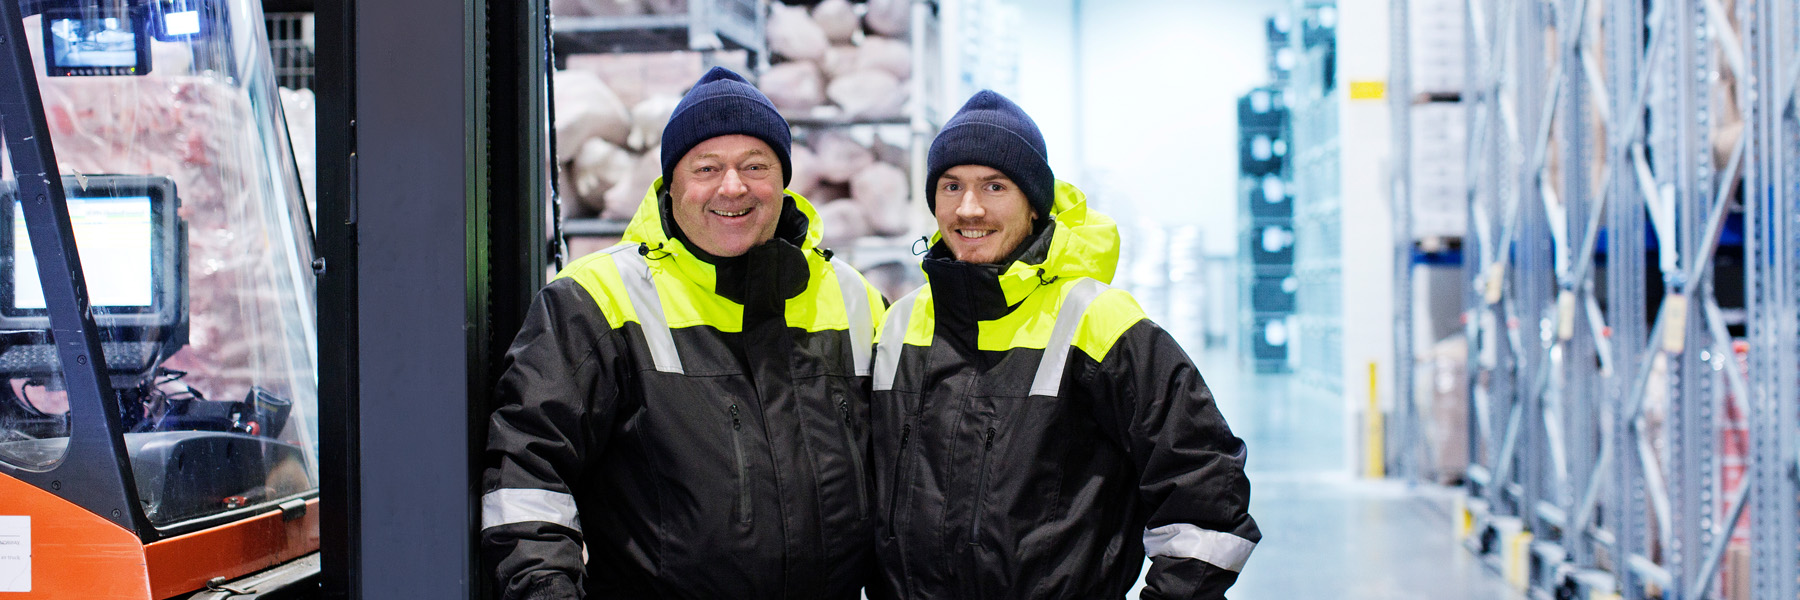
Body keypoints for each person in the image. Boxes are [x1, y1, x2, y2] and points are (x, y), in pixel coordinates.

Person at [481, 67, 885, 600]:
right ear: (671, 185)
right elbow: (528, 472)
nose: (732, 186)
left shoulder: (853, 298)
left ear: (784, 180)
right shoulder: (597, 300)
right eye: (707, 167)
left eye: (755, 165)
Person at [869, 91, 1260, 599]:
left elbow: (1204, 484)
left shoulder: (1098, 322)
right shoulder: (900, 325)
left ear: (1034, 205)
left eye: (994, 186)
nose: (969, 208)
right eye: (951, 186)